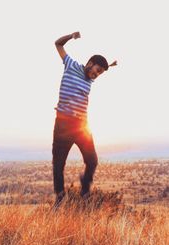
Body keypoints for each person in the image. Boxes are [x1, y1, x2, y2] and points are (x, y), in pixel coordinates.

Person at [52, 31, 116, 206]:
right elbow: (58, 44)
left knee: (92, 161)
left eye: (100, 74)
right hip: (63, 125)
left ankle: (85, 189)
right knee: (58, 164)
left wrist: (110, 65)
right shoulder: (71, 65)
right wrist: (71, 37)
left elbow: (101, 68)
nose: (96, 75)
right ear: (89, 63)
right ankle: (59, 198)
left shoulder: (91, 79)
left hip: (81, 126)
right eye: (96, 70)